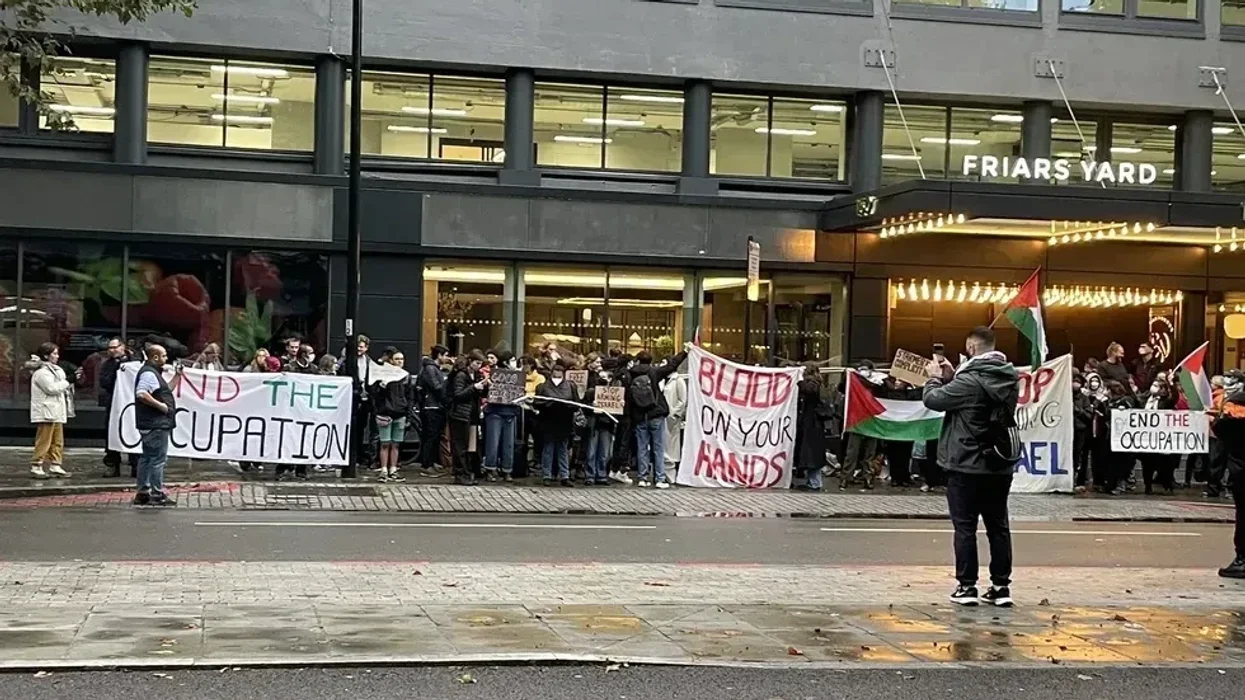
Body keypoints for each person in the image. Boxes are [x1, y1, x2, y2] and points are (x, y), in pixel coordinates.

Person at [922, 327, 1020, 607]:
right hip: (999, 462)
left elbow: (934, 400)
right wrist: (955, 375)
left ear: (972, 349)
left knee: (965, 527)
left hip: (966, 461)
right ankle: (1001, 587)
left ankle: (967, 587)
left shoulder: (971, 381)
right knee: (998, 526)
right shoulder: (1009, 377)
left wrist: (933, 378)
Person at [626, 348, 689, 488]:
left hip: (640, 415)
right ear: (651, 361)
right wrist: (684, 352)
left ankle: (642, 477)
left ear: (638, 360)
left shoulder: (631, 373)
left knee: (642, 447)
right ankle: (659, 478)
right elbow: (672, 365)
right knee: (659, 448)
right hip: (655, 414)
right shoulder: (654, 372)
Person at [1209, 370, 1245, 579]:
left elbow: (1222, 430)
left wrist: (1219, 418)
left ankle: (1242, 559)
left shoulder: (1235, 406)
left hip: (1241, 470)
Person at [133, 344, 177, 506]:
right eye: (164, 355)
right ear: (155, 357)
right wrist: (162, 407)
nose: (166, 359)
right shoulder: (149, 374)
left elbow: (165, 390)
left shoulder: (152, 373)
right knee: (158, 459)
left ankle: (143, 491)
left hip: (150, 422)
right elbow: (142, 393)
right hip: (155, 423)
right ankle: (156, 493)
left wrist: (178, 376)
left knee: (147, 457)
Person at [29, 343, 74, 479]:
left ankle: (55, 464)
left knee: (57, 440)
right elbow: (52, 388)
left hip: (56, 410)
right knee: (44, 440)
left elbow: (59, 383)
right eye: (54, 353)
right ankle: (36, 464)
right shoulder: (42, 373)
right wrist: (68, 381)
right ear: (46, 355)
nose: (57, 356)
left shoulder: (55, 370)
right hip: (46, 411)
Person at [99, 337, 139, 478]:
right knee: (112, 435)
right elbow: (105, 383)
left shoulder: (135, 361)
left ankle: (136, 466)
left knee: (132, 434)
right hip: (114, 404)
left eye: (115, 347)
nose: (112, 350)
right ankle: (112, 465)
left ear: (123, 347)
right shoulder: (107, 364)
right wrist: (117, 367)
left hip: (131, 404)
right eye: (110, 348)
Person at [536, 360, 579, 487]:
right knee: (548, 449)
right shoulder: (542, 387)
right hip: (548, 421)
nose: (558, 373)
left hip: (564, 422)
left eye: (560, 371)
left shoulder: (571, 386)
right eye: (556, 371)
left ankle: (564, 475)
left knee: (563, 449)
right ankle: (547, 475)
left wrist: (566, 406)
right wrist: (548, 404)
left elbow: (576, 405)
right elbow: (536, 403)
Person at [447, 350, 486, 485]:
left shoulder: (476, 374)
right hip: (460, 414)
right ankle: (460, 474)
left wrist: (484, 388)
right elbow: (458, 395)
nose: (478, 366)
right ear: (470, 361)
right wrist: (474, 388)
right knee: (460, 446)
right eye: (477, 363)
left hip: (472, 415)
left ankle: (467, 472)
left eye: (480, 364)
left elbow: (478, 394)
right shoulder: (461, 375)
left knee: (470, 446)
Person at [373, 351, 411, 483]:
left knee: (395, 443)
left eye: (402, 359)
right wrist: (382, 387)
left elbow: (409, 396)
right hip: (386, 413)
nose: (400, 361)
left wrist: (408, 413)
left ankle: (393, 469)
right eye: (397, 359)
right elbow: (376, 394)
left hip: (400, 412)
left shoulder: (406, 376)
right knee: (385, 443)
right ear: (392, 361)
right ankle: (384, 469)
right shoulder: (383, 375)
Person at [482, 351, 520, 483]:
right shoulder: (494, 374)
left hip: (510, 412)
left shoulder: (517, 376)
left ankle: (506, 470)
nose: (515, 363)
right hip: (495, 411)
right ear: (506, 362)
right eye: (512, 360)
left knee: (508, 444)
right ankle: (490, 469)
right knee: (493, 442)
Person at [584, 359, 620, 486]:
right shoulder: (591, 391)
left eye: (606, 377)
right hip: (594, 423)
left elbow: (617, 407)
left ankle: (601, 475)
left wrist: (619, 405)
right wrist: (591, 405)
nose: (604, 379)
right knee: (591, 451)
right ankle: (590, 475)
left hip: (606, 424)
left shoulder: (615, 392)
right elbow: (583, 406)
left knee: (604, 452)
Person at [1140, 376, 1178, 495]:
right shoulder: (1144, 398)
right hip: (1146, 436)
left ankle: (1167, 485)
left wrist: (1172, 384)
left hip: (1161, 437)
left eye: (1157, 386)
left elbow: (1175, 397)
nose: (1154, 388)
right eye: (1153, 385)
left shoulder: (1166, 401)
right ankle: (1148, 486)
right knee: (1147, 463)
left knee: (1164, 463)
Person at [795, 362, 828, 492]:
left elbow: (808, 390)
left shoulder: (813, 384)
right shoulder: (818, 382)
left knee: (811, 455)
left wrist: (798, 380)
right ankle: (812, 481)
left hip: (812, 425)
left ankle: (815, 482)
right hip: (811, 424)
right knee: (810, 455)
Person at [417, 345, 450, 472]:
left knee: (434, 436)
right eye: (445, 355)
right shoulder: (431, 369)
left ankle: (431, 461)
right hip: (431, 406)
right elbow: (436, 387)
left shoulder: (432, 368)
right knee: (431, 435)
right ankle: (427, 464)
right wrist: (446, 384)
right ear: (439, 355)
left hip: (434, 405)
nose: (447, 358)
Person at [660, 360, 688, 486]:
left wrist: (674, 414)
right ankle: (662, 473)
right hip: (661, 417)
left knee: (671, 447)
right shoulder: (662, 380)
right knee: (662, 445)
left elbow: (682, 400)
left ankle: (670, 474)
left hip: (671, 418)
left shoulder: (678, 381)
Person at [1071, 370, 1093, 490]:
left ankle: (1079, 480)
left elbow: (1089, 415)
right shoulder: (1064, 395)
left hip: (1079, 430)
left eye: (1078, 382)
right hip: (1066, 430)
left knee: (1078, 455)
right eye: (1073, 381)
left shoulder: (1084, 399)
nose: (1075, 384)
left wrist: (1077, 410)